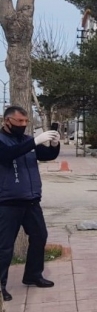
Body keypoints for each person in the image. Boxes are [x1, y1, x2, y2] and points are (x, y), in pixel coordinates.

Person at [0, 106, 61, 302]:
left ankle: (33, 275)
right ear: (6, 121)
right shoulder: (1, 141)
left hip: (31, 201)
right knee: (4, 246)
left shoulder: (26, 141)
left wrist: (53, 145)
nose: (23, 125)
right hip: (7, 202)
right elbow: (8, 155)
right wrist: (35, 141)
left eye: (26, 122)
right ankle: (0, 286)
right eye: (19, 122)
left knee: (39, 236)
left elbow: (46, 155)